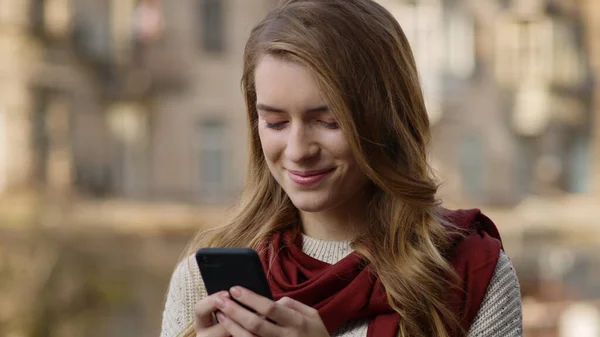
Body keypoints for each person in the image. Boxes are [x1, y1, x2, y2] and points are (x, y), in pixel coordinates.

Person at [160, 0, 523, 336]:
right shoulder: (201, 282)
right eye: (275, 122)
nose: (298, 151)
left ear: (387, 120)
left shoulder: (469, 274)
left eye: (329, 122)